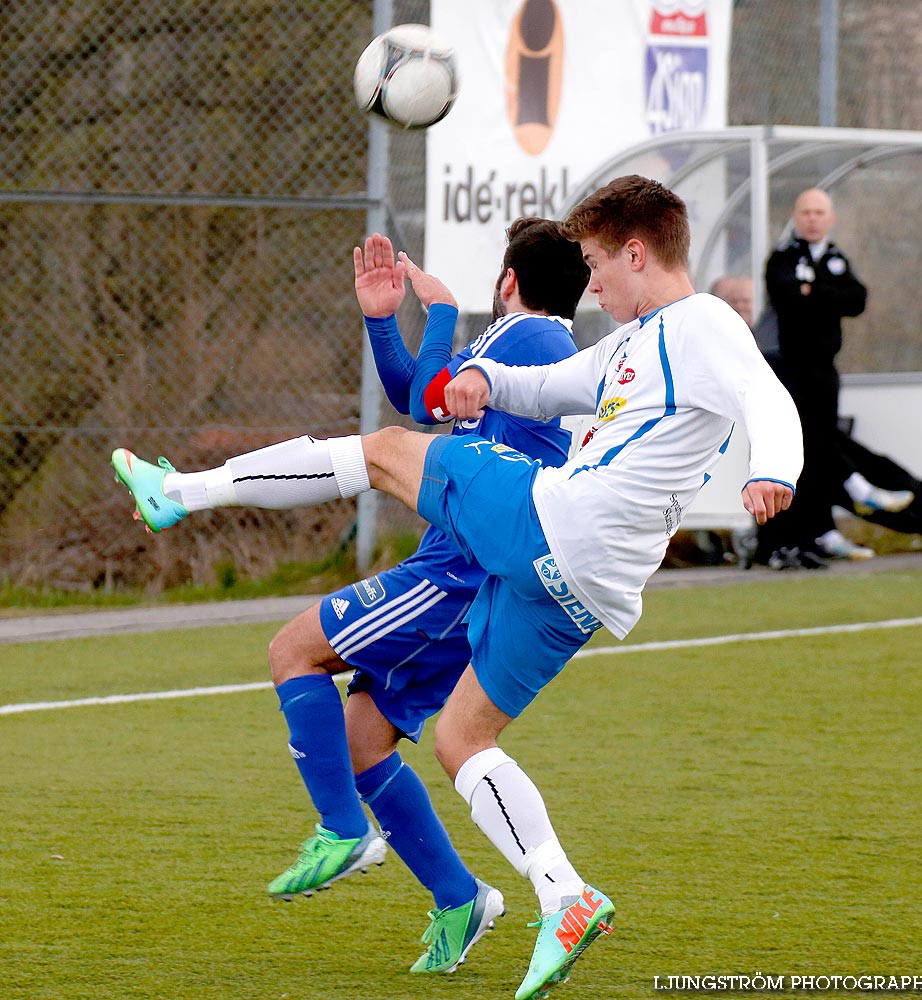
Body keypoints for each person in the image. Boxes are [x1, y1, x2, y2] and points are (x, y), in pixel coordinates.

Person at [111, 175, 803, 1000]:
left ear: (635, 250)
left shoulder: (700, 324)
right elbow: (547, 389)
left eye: (594, 264)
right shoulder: (626, 346)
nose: (591, 283)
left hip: (558, 524)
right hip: (584, 587)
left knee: (382, 452)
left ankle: (179, 493)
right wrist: (486, 385)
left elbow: (768, 397)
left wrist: (773, 471)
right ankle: (563, 894)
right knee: (461, 740)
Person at [264, 219, 589, 975]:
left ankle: (344, 831)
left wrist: (437, 313)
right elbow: (420, 395)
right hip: (473, 565)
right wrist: (384, 318)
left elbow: (422, 397)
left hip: (455, 572)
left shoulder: (530, 336)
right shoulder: (539, 347)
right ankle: (458, 897)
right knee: (363, 738)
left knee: (292, 650)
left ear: (509, 278)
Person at [754, 188, 912, 568]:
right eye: (805, 211)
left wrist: (814, 291)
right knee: (802, 446)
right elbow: (787, 295)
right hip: (789, 368)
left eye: (819, 212)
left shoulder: (837, 257)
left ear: (830, 218)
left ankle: (823, 530)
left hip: (825, 369)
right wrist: (822, 295)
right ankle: (849, 493)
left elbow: (856, 299)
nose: (812, 218)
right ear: (796, 216)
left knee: (821, 445)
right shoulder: (782, 257)